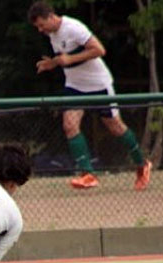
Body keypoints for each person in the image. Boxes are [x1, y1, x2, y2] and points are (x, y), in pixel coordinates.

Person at [28, 1, 152, 190]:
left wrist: (70, 59)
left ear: (51, 17)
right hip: (75, 86)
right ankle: (88, 174)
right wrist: (53, 63)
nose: (40, 30)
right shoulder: (52, 34)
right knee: (69, 125)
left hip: (98, 84)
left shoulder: (74, 27)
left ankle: (142, 165)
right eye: (37, 27)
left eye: (41, 25)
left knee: (115, 127)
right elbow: (65, 58)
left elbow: (99, 50)